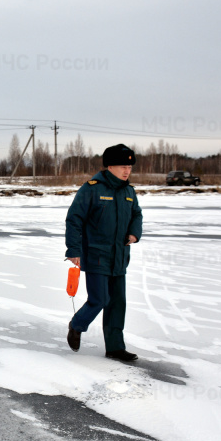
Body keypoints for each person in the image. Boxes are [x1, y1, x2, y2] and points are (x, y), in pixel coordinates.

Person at [65, 143, 143, 361]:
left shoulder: (129, 191)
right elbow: (74, 220)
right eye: (122, 166)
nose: (127, 171)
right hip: (97, 255)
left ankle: (115, 347)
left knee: (117, 302)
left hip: (120, 256)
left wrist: (135, 234)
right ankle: (77, 324)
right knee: (99, 299)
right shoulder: (92, 188)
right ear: (109, 166)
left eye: (129, 167)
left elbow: (137, 215)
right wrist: (73, 249)